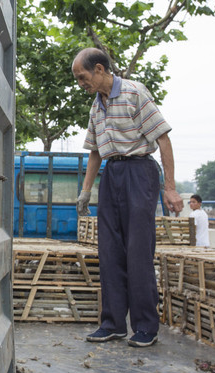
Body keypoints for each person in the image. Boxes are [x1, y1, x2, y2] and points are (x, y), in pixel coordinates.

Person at [72, 47, 183, 348]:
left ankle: (146, 326)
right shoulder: (96, 106)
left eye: (82, 77)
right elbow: (95, 151)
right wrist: (86, 191)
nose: (81, 84)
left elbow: (163, 138)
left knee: (138, 252)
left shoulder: (134, 93)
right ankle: (113, 324)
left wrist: (170, 187)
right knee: (109, 251)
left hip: (139, 172)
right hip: (112, 175)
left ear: (99, 69)